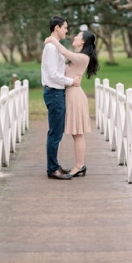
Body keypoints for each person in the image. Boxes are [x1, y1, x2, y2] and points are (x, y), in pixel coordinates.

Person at [44, 29, 99, 177]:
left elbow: (63, 51)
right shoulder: (79, 57)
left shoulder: (83, 57)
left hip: (75, 96)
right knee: (76, 133)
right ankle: (78, 165)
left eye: (78, 36)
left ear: (83, 41)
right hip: (69, 94)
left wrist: (51, 39)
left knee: (77, 134)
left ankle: (79, 166)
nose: (74, 37)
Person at [41, 16, 81, 180]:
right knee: (55, 133)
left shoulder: (54, 46)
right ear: (57, 28)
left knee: (55, 132)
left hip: (56, 92)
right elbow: (53, 74)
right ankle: (52, 169)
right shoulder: (51, 48)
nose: (66, 30)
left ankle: (54, 166)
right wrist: (71, 81)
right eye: (65, 27)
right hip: (54, 92)